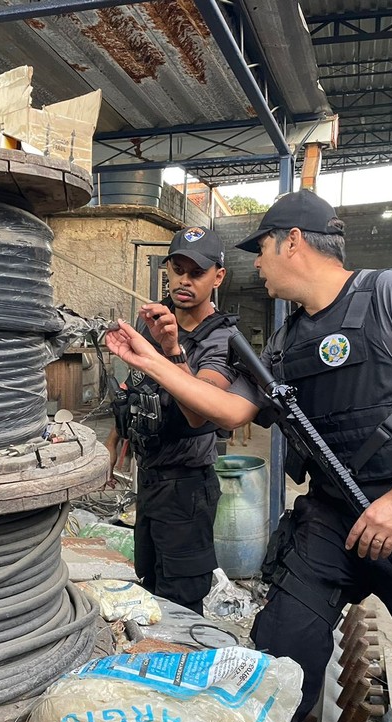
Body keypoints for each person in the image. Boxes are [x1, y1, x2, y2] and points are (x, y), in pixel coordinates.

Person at [105, 190, 392, 722]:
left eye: (263, 250)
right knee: (280, 656)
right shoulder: (285, 339)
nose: (257, 265)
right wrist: (151, 360)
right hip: (330, 516)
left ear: (292, 242)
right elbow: (227, 411)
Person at [108, 225, 240, 615]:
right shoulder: (152, 321)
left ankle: (183, 668)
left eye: (196, 272)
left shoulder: (223, 340)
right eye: (177, 269)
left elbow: (199, 413)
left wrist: (172, 351)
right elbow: (136, 390)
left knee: (180, 601)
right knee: (149, 581)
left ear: (218, 276)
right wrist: (115, 442)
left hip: (186, 488)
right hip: (149, 480)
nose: (185, 280)